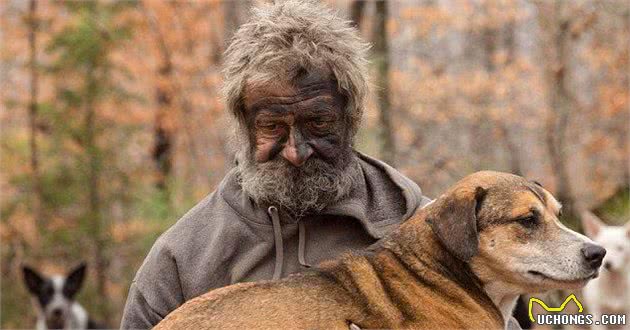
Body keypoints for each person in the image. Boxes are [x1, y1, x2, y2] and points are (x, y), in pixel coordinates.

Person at [120, 1, 431, 328]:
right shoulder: (182, 261)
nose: (295, 152)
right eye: (271, 127)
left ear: (351, 118)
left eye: (318, 123)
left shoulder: (420, 229)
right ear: (243, 127)